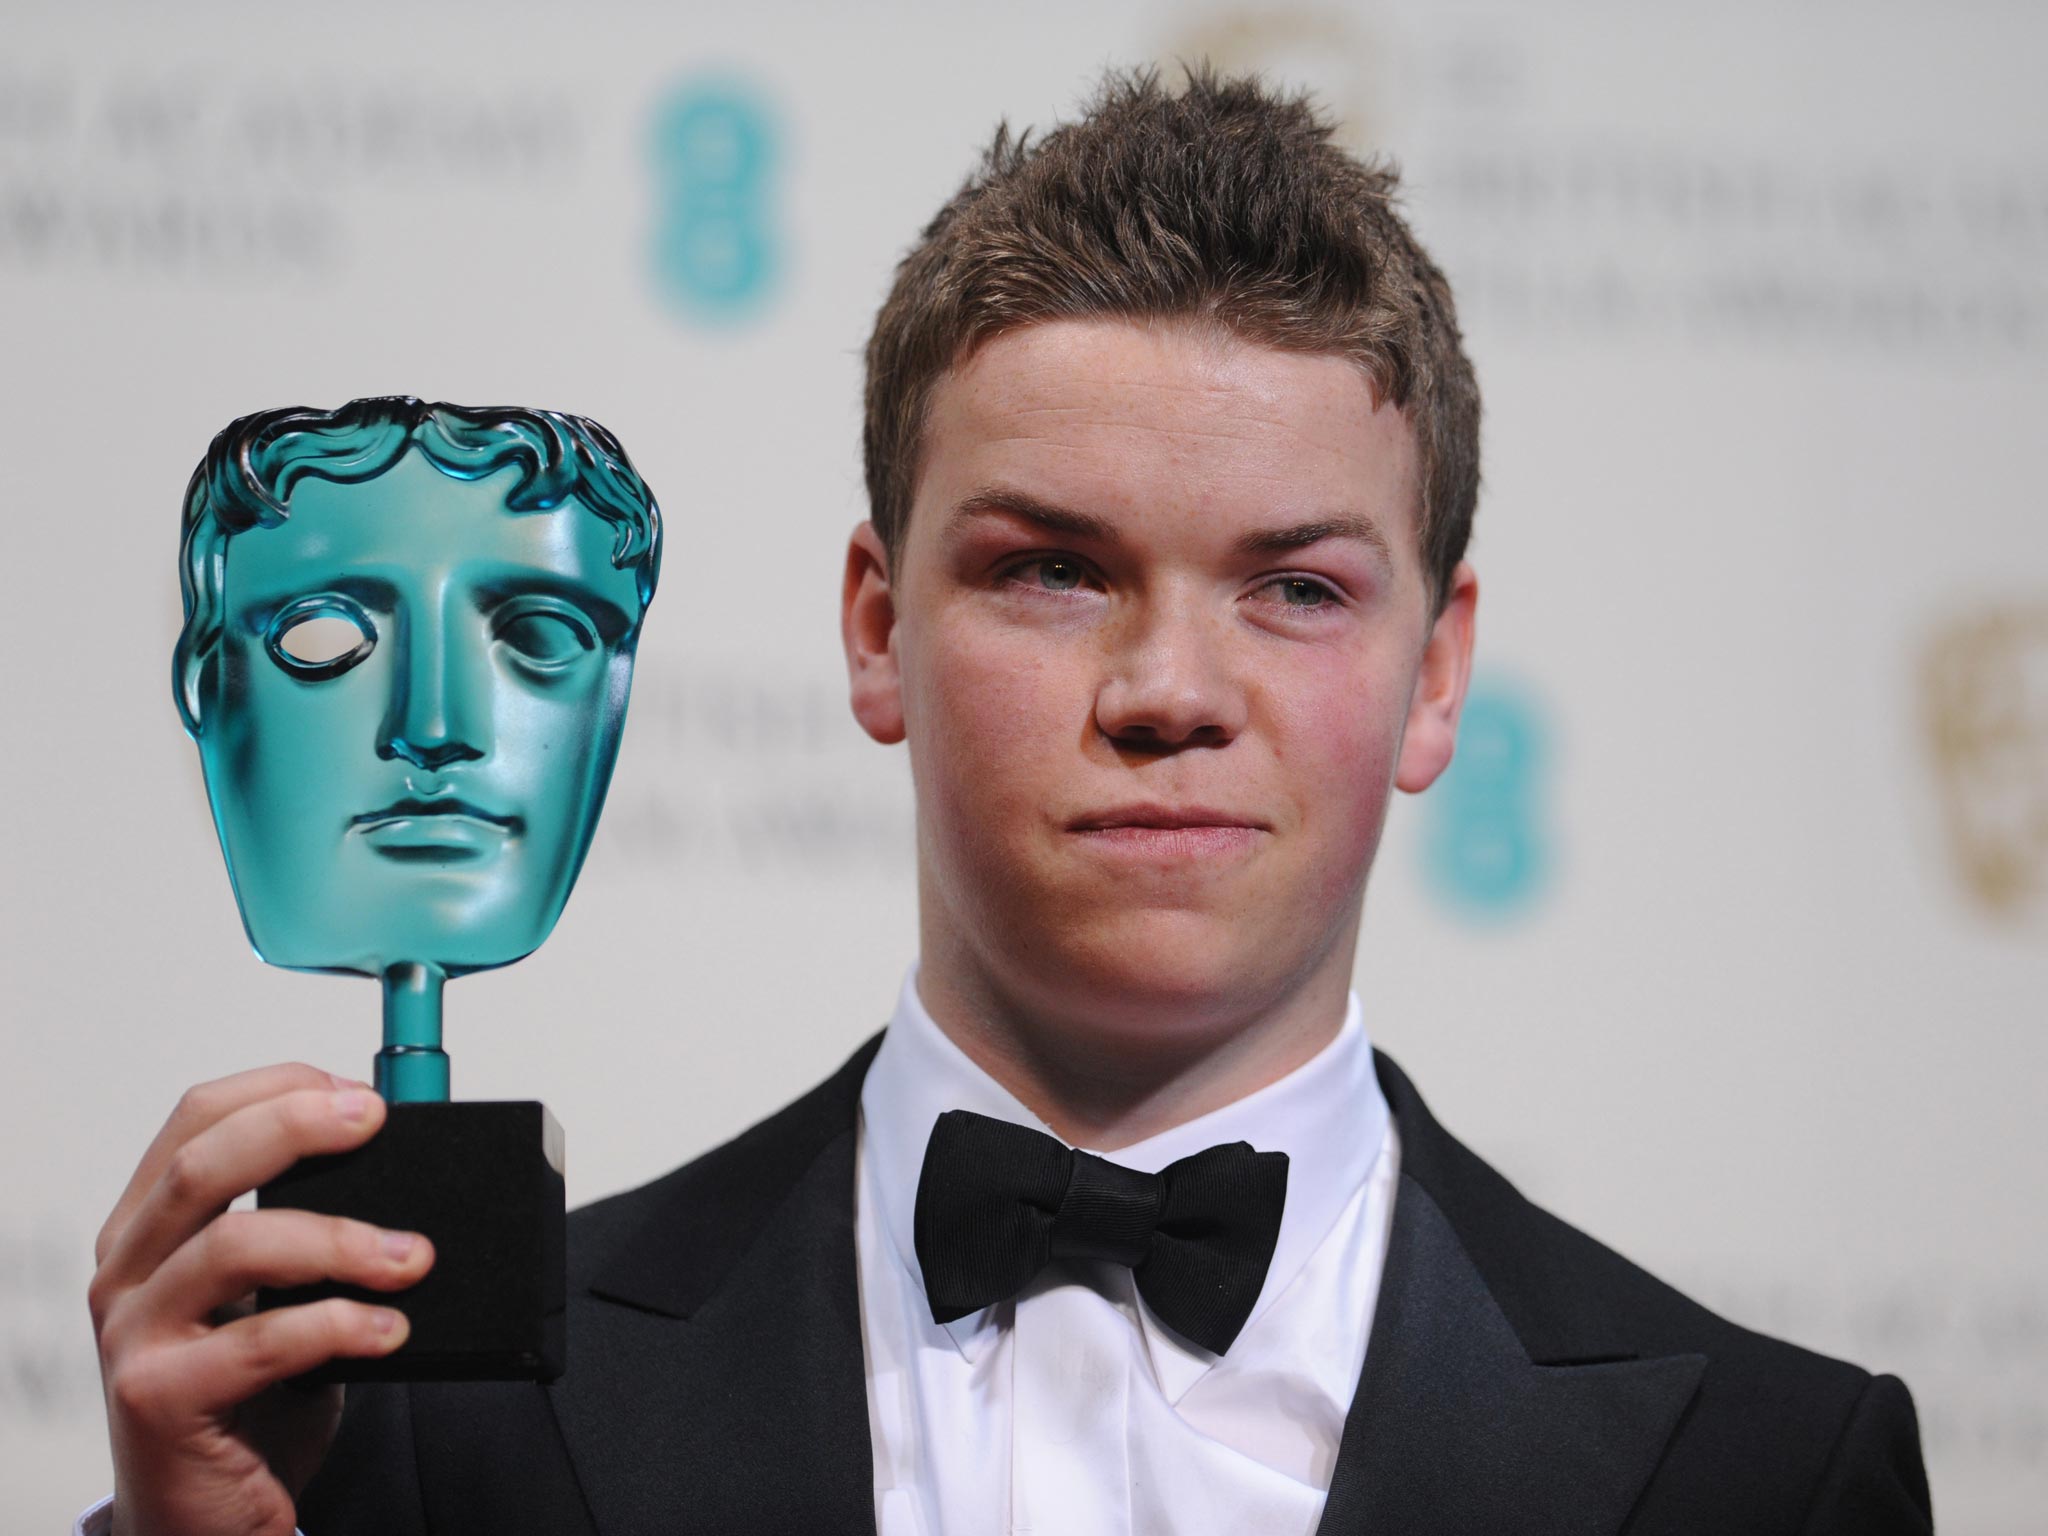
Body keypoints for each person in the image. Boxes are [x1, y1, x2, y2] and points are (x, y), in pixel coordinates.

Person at [81, 66, 1933, 1535]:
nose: (1169, 695)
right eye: (1054, 570)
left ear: (1436, 675)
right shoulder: (415, 1432)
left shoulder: (1769, 1471)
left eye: (1295, 588)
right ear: (878, 630)